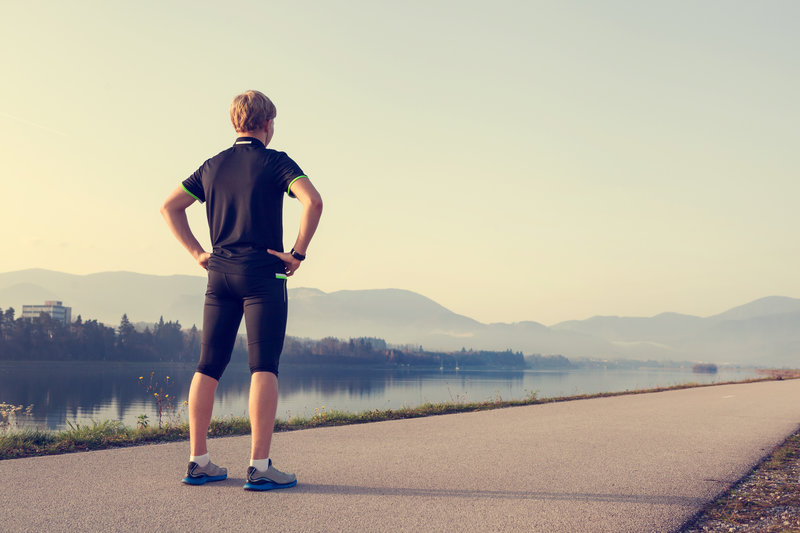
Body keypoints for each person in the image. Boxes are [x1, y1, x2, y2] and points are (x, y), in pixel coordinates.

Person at [161, 90, 322, 490]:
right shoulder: (276, 162)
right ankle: (260, 466)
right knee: (263, 366)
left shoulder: (212, 166)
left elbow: (170, 206)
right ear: (267, 124)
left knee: (207, 366)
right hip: (263, 275)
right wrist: (297, 253)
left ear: (236, 123)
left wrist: (198, 253)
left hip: (219, 274)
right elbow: (313, 202)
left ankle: (199, 462)